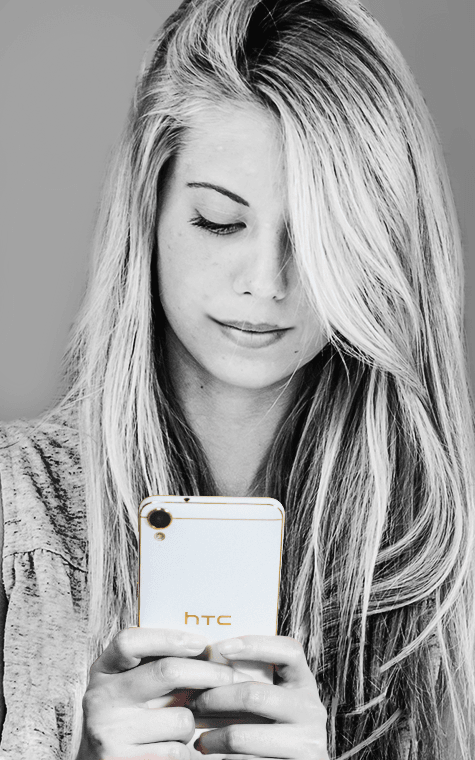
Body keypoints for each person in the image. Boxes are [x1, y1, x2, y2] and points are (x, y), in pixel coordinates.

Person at [1, 0, 474, 757]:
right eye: (221, 221)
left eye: (320, 233)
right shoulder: (14, 513)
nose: (266, 282)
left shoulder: (448, 558)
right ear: (149, 212)